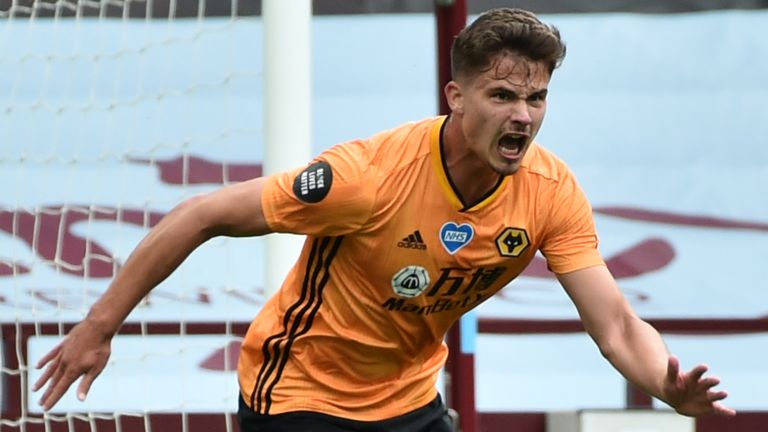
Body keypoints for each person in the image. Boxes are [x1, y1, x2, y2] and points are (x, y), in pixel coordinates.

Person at [34, 7, 735, 431]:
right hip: (299, 396)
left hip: (404, 402)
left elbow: (612, 322)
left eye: (538, 98)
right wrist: (98, 328)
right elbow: (200, 213)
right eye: (503, 95)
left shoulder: (551, 193)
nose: (524, 115)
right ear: (456, 97)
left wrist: (664, 384)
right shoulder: (365, 178)